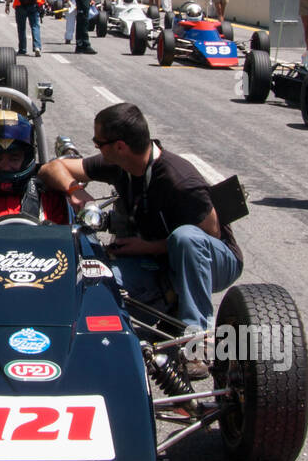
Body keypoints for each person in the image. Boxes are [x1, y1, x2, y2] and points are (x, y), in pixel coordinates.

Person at [38, 103, 242, 357]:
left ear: (120, 146)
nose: (96, 147)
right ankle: (159, 312)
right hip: (156, 258)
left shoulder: (178, 179)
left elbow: (210, 236)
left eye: (98, 142)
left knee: (185, 238)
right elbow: (51, 169)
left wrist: (149, 246)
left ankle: (197, 341)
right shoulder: (121, 164)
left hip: (214, 260)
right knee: (96, 282)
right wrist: (75, 190)